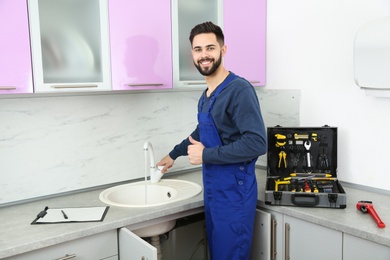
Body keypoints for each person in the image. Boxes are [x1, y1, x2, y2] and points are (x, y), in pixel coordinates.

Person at [157, 21, 267, 260]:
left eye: (210, 48)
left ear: (222, 50)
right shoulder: (206, 95)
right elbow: (202, 132)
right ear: (193, 54)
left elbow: (257, 143)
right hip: (215, 193)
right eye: (198, 49)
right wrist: (174, 154)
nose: (204, 55)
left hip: (235, 197)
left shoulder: (239, 90)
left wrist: (205, 155)